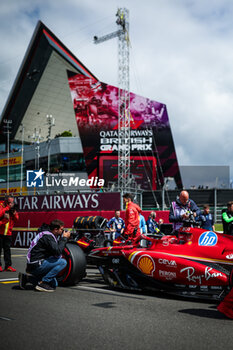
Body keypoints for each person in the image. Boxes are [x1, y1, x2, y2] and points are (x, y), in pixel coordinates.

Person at [18, 219, 70, 292]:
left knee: (53, 284)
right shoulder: (47, 236)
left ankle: (26, 278)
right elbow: (57, 252)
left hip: (33, 265)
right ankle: (43, 283)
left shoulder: (46, 234)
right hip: (36, 264)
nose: (63, 231)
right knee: (63, 262)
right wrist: (64, 238)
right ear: (55, 229)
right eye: (61, 229)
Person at [0, 195, 19, 272]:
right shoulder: (1, 205)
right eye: (9, 202)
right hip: (0, 232)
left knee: (7, 250)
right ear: (5, 201)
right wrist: (7, 208)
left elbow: (17, 219)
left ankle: (8, 265)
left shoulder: (12, 208)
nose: (11, 204)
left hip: (8, 233)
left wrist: (14, 213)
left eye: (12, 202)